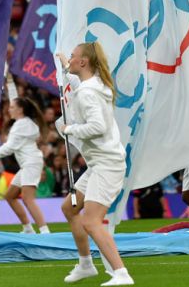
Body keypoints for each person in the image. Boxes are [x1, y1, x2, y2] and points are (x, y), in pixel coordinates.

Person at [55, 43, 134, 286]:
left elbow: (97, 126)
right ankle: (86, 264)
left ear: (83, 62)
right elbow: (81, 86)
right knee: (70, 208)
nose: (70, 58)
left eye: (73, 56)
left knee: (90, 220)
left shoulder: (89, 92)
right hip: (99, 164)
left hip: (106, 165)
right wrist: (66, 68)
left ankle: (121, 273)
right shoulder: (93, 84)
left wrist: (70, 129)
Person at [0, 72, 50, 234]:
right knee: (10, 196)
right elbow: (14, 99)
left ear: (19, 110)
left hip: (31, 163)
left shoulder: (20, 125)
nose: (9, 109)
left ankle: (45, 231)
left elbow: (8, 148)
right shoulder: (23, 121)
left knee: (27, 198)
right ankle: (27, 228)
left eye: (12, 108)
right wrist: (10, 83)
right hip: (28, 164)